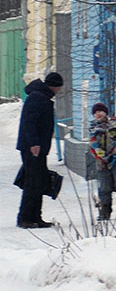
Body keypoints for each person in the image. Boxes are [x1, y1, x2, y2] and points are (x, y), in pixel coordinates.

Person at [15, 72, 63, 229]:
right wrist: (34, 143)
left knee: (39, 181)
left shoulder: (41, 97)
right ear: (54, 86)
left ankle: (36, 216)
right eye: (59, 87)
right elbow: (29, 123)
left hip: (38, 147)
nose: (60, 90)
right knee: (32, 182)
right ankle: (25, 217)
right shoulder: (37, 98)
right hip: (32, 148)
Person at [88, 103, 116, 221]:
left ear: (106, 112)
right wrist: (104, 157)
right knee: (104, 188)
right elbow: (93, 146)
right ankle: (105, 212)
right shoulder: (93, 127)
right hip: (102, 163)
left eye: (100, 111)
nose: (98, 114)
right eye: (96, 112)